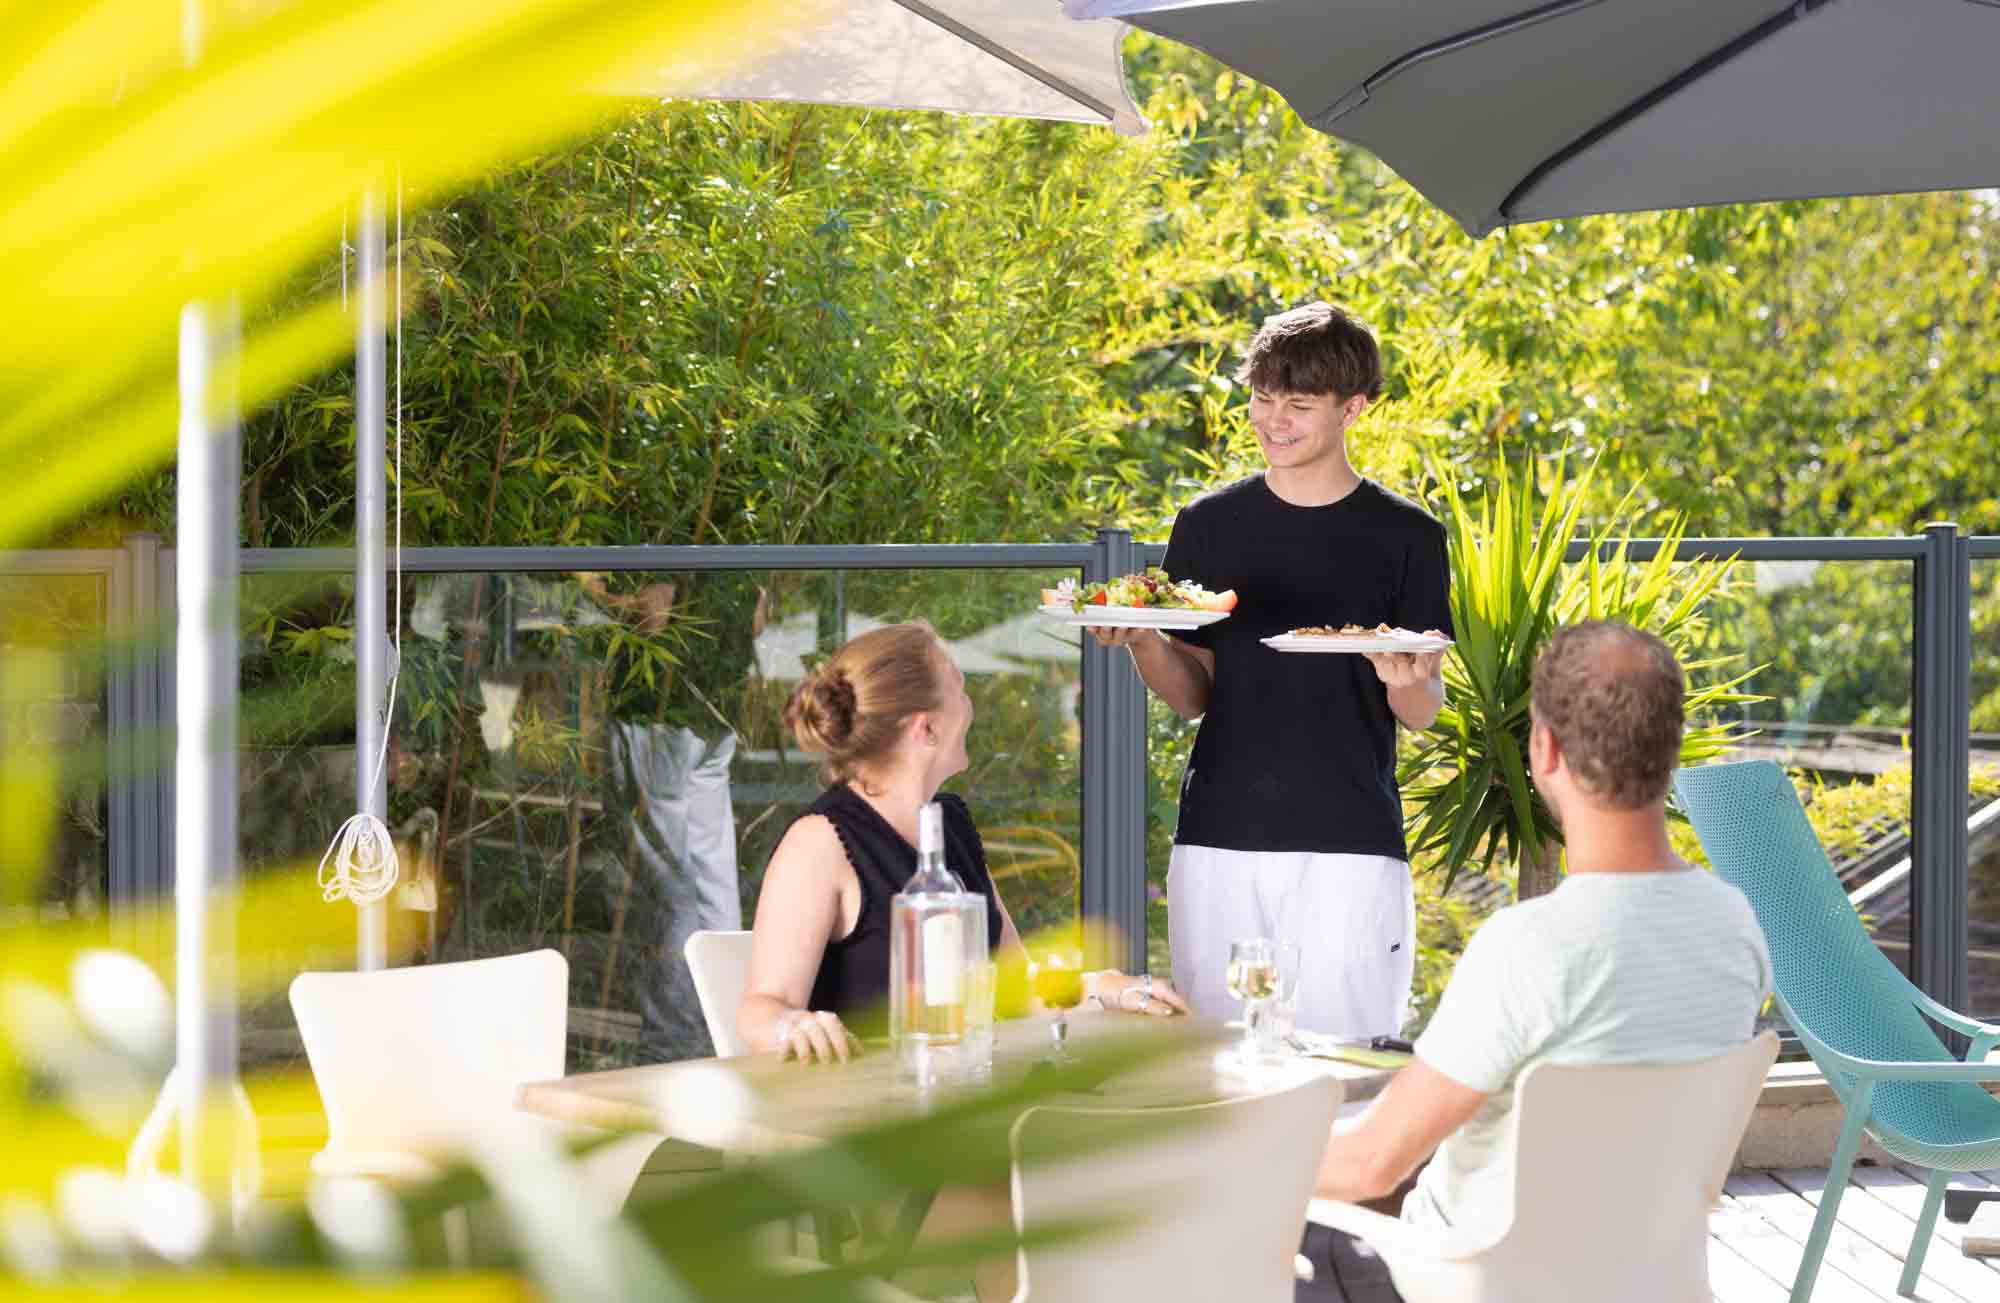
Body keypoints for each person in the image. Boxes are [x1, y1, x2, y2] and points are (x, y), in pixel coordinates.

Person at [1313, 620, 1773, 1244]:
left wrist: (1213, 1158)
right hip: (1648, 1271)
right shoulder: (1736, 926)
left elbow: (1372, 1164)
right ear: (1671, 747)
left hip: (1473, 1274)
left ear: (1546, 749)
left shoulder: (1530, 946)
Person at [1091, 300, 1452, 1039]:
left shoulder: (1409, 536)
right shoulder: (1207, 525)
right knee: (1223, 1060)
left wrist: (1403, 680)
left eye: (1299, 405)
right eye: (1262, 398)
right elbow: (1194, 696)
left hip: (1350, 843)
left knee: (1348, 1060)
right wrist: (1145, 643)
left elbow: (1422, 712)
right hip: (1219, 838)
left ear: (1353, 407)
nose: (1273, 420)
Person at [740, 620, 1186, 1063]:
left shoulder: (949, 824)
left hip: (966, 1087)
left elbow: (1014, 983)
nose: (971, 708)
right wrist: (790, 1025)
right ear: (926, 729)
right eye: (961, 690)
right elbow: (761, 1008)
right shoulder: (819, 843)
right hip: (866, 1100)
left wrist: (1106, 987)